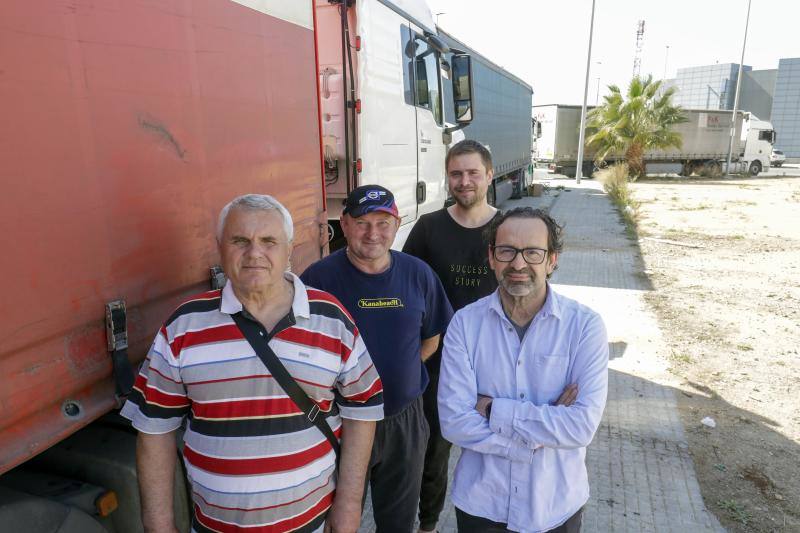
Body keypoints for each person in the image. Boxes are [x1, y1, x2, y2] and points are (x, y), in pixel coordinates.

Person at [122, 194, 384, 533]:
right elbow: (154, 430)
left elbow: (362, 413)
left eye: (268, 241)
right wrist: (159, 527)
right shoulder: (183, 326)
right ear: (220, 247)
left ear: (289, 248)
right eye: (240, 240)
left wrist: (349, 508)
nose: (254, 253)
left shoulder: (331, 319)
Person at [439, 207, 608, 533]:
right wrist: (539, 435)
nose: (518, 263)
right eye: (507, 251)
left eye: (532, 252)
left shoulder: (584, 327)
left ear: (552, 259)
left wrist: (492, 409)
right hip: (482, 505)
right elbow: (454, 422)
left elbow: (580, 427)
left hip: (555, 505)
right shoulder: (464, 324)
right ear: (491, 258)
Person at [301, 185, 453, 533]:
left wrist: (403, 369)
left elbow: (432, 335)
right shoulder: (317, 280)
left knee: (398, 522)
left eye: (383, 222)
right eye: (363, 222)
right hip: (339, 420)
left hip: (403, 419)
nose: (373, 233)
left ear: (397, 224)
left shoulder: (418, 274)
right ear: (345, 225)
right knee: (337, 519)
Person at [402, 139, 500, 533]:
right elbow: (406, 286)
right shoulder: (429, 228)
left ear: (489, 175)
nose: (464, 181)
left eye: (473, 172)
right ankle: (427, 525)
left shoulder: (506, 227)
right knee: (431, 455)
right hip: (439, 363)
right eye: (456, 174)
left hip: (495, 362)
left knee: (495, 449)